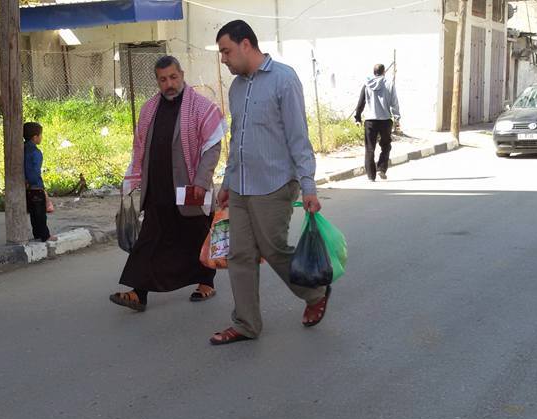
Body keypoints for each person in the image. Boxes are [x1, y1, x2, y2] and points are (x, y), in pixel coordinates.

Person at [210, 20, 331, 346]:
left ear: (246, 44)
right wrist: (227, 181)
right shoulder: (236, 88)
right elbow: (238, 139)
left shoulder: (284, 79)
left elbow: (298, 137)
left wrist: (308, 186)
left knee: (273, 248)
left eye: (226, 51)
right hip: (241, 186)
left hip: (275, 183)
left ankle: (315, 293)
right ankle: (246, 324)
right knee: (239, 255)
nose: (223, 59)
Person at [109, 56, 227, 312]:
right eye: (163, 80)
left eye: (173, 77)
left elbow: (212, 148)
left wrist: (201, 180)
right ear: (157, 81)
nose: (169, 84)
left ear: (182, 75)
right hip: (157, 188)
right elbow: (139, 147)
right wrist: (133, 179)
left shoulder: (201, 107)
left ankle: (206, 282)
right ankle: (138, 292)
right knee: (150, 238)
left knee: (197, 234)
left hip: (190, 187)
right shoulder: (149, 109)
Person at [354, 64, 400, 181]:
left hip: (370, 121)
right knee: (386, 146)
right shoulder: (389, 84)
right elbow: (394, 102)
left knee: (370, 148)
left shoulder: (367, 85)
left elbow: (361, 102)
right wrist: (397, 118)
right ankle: (381, 168)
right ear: (384, 72)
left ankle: (371, 176)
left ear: (374, 72)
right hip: (385, 121)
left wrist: (358, 118)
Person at [24, 122, 55, 241]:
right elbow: (35, 171)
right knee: (40, 214)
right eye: (40, 135)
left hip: (26, 186)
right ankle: (45, 236)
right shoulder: (36, 152)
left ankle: (37, 234)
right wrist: (35, 183)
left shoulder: (22, 149)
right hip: (35, 186)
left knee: (33, 213)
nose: (41, 137)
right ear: (35, 137)